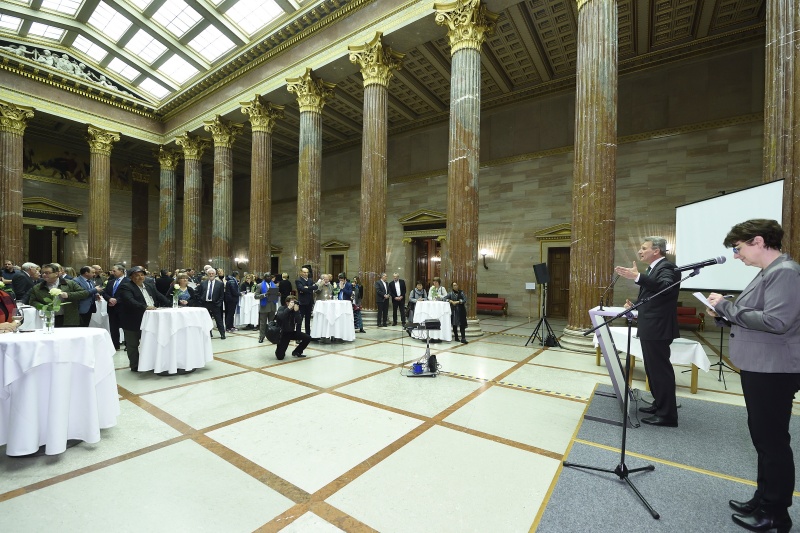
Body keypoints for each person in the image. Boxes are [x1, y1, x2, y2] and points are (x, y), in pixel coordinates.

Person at [706, 219, 800, 533]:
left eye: (738, 248)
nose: (737, 255)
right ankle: (763, 498)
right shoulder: (769, 273)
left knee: (772, 442)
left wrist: (727, 307)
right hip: (762, 365)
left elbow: (777, 321)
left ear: (758, 241)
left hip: (774, 369)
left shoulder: (785, 273)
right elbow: (755, 316)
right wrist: (723, 313)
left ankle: (776, 514)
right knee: (763, 440)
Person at [614, 236, 680, 427]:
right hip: (651, 325)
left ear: (656, 251)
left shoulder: (667, 267)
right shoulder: (654, 268)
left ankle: (667, 415)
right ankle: (659, 404)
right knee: (652, 369)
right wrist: (636, 305)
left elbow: (666, 288)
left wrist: (636, 277)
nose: (640, 251)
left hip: (658, 327)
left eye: (644, 248)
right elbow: (655, 297)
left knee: (660, 370)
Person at [116, 266, 170, 372]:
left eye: (142, 275)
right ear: (131, 277)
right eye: (137, 275)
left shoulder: (150, 286)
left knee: (151, 342)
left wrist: (171, 303)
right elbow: (130, 301)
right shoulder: (126, 287)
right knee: (133, 344)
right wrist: (145, 307)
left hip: (151, 320)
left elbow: (159, 296)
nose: (140, 277)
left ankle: (150, 363)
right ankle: (135, 366)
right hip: (133, 320)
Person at [27, 263, 90, 328]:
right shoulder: (37, 287)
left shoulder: (69, 283)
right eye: (43, 273)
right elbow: (32, 301)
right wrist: (43, 307)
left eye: (47, 273)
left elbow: (84, 293)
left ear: (56, 274)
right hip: (49, 319)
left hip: (69, 319)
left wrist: (68, 295)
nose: (44, 275)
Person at [274, 295, 311, 359]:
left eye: (294, 302)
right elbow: (281, 317)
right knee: (280, 357)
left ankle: (297, 351)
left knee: (307, 337)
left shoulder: (295, 310)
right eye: (292, 302)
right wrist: (288, 309)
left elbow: (299, 321)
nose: (293, 304)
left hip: (291, 332)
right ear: (287, 303)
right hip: (283, 333)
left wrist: (297, 312)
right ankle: (278, 350)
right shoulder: (282, 308)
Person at [103, 264, 128, 350]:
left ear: (121, 271)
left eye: (114, 271)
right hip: (111, 307)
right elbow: (104, 293)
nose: (112, 272)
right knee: (113, 327)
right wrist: (109, 299)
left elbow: (127, 294)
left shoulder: (128, 281)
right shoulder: (110, 282)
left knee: (126, 327)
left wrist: (117, 300)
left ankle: (128, 345)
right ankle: (115, 345)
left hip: (123, 308)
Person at [198, 267, 226, 339]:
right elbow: (199, 293)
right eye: (209, 273)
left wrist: (218, 303)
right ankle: (209, 333)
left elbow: (221, 295)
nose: (211, 275)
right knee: (207, 319)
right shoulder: (203, 283)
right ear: (207, 274)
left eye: (212, 273)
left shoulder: (220, 284)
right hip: (205, 304)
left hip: (215, 304)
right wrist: (201, 301)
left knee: (218, 320)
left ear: (215, 274)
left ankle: (222, 333)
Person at [254, 272, 279, 343]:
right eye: (267, 277)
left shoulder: (274, 285)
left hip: (272, 306)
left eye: (269, 277)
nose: (269, 278)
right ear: (264, 278)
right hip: (264, 307)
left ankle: (272, 336)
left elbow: (275, 295)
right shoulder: (260, 285)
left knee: (272, 323)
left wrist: (278, 294)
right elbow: (256, 296)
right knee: (263, 323)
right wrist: (265, 294)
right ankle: (261, 336)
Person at [295, 266, 317, 334]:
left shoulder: (310, 280)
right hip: (302, 302)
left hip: (310, 301)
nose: (306, 274)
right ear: (301, 272)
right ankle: (298, 335)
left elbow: (316, 287)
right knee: (300, 319)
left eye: (307, 272)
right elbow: (301, 289)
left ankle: (308, 334)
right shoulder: (298, 280)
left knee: (308, 319)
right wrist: (310, 289)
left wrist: (307, 287)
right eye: (304, 272)